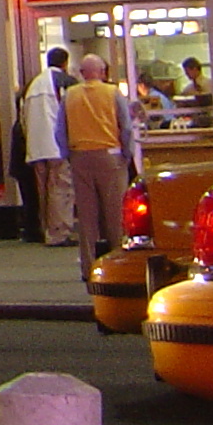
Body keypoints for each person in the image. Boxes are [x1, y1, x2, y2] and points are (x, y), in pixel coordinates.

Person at [63, 53, 140, 282]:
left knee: (86, 217)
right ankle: (117, 267)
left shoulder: (69, 95)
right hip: (109, 157)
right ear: (103, 72)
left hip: (80, 158)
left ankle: (88, 268)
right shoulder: (113, 93)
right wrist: (127, 154)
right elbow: (125, 127)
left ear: (82, 74)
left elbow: (60, 131)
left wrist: (69, 155)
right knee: (115, 214)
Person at [21, 45, 73, 246]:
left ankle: (46, 230)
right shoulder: (63, 82)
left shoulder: (32, 85)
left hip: (35, 148)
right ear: (65, 63)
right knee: (60, 189)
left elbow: (23, 119)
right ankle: (59, 232)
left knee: (43, 192)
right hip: (57, 147)